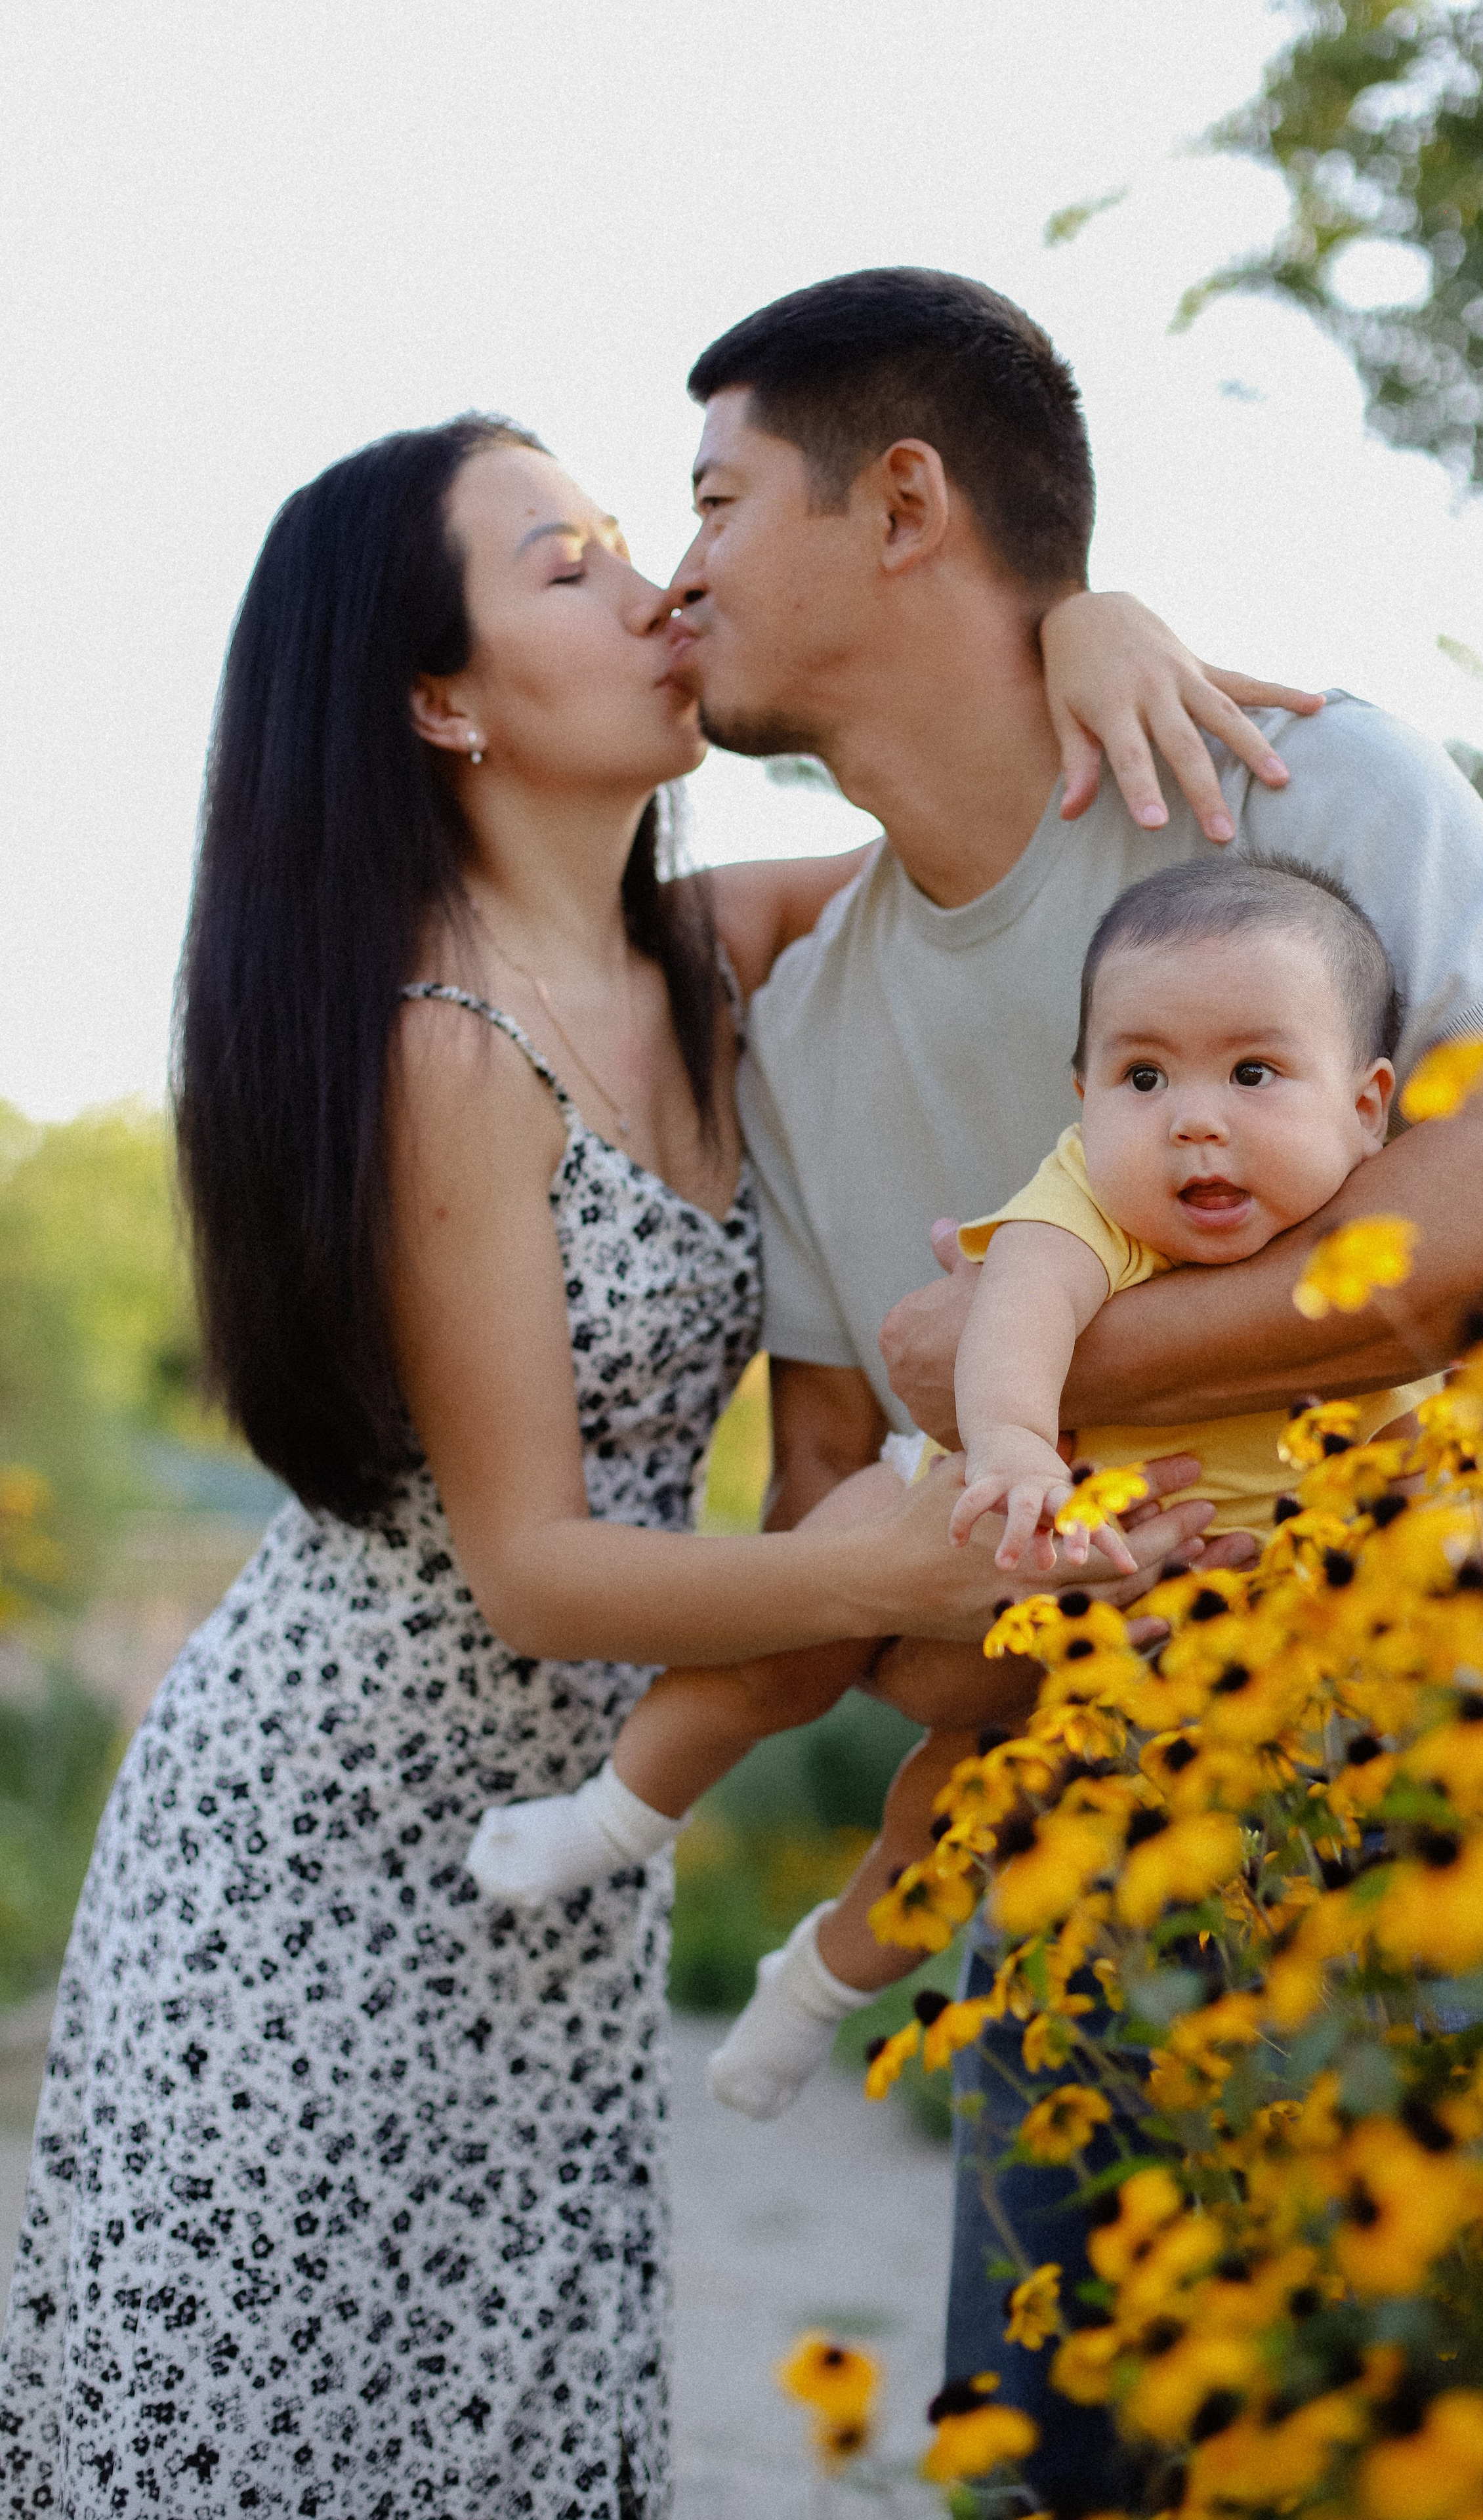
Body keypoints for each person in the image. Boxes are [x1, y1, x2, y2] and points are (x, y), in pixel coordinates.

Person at [0, 408, 1298, 2520]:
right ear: (443, 700)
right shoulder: (444, 1040)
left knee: (513, 2443)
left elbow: (989, 839)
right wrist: (899, 1569)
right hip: (321, 1868)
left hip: (567, 1876)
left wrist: (1084, 627)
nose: (659, 588)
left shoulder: (698, 964)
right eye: (570, 564)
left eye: (637, 537)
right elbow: (533, 1569)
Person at [654, 265, 1483, 2515]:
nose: (680, 570)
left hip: (1466, 1842)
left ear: (905, 506)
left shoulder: (1297, 780)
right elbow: (836, 1537)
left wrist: (1015, 1358)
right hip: (1077, 1868)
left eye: (714, 500)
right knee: (1053, 2481)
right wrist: (1034, 1561)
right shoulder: (799, 1027)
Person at [490, 856, 1443, 2125]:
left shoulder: (1374, 1254)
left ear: (1368, 1107)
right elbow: (1022, 1311)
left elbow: (1407, 1454)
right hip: (970, 1504)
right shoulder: (1092, 1200)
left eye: (1254, 1074)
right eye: (1142, 1078)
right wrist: (1013, 1448)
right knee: (779, 1659)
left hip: (1135, 1642)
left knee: (959, 1823)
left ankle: (814, 1987)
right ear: (1083, 1096)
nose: (1194, 1121)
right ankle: (617, 1817)